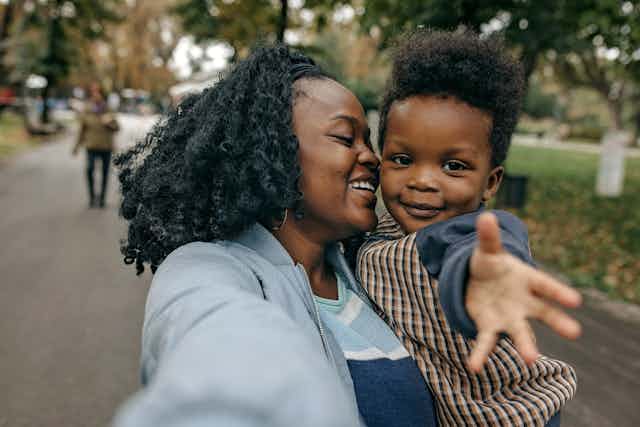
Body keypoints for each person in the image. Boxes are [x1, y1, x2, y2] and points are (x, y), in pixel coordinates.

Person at [112, 44, 580, 427]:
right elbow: (219, 343)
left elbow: (465, 246)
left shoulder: (361, 260)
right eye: (345, 138)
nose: (372, 159)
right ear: (274, 151)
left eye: (369, 142)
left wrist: (481, 275)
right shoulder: (211, 270)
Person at [357, 29, 580, 426]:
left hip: (518, 415)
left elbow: (471, 256)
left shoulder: (474, 233)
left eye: (453, 166)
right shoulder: (378, 228)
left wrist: (485, 275)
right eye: (403, 159)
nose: (423, 180)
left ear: (491, 182)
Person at [72, 82, 119, 208]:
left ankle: (102, 199)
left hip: (106, 147)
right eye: (93, 92)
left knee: (105, 173)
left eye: (98, 92)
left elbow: (117, 128)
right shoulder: (87, 110)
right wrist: (76, 147)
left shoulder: (108, 109)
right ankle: (92, 197)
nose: (96, 94)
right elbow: (82, 130)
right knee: (89, 170)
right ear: (91, 94)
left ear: (101, 94)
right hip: (91, 146)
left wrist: (109, 123)